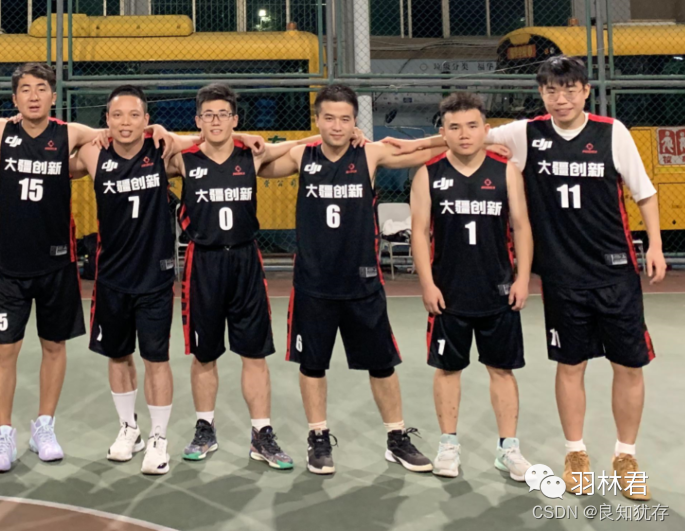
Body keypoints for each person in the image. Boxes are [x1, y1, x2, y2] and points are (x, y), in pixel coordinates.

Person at [387, 56, 666, 500]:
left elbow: (645, 192)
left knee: (629, 365)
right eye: (552, 90)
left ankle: (625, 455)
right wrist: (410, 144)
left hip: (614, 271)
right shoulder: (526, 133)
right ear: (541, 94)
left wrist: (654, 245)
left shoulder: (612, 132)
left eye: (570, 89)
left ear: (586, 91)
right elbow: (466, 135)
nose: (561, 98)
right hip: (561, 275)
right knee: (570, 365)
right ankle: (576, 454)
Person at [257, 84, 457, 474]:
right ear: (317, 120)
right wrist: (301, 140)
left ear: (355, 122)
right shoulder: (303, 155)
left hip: (361, 281)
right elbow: (259, 163)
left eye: (345, 119)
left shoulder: (369, 153)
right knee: (312, 365)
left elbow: (435, 149)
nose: (337, 126)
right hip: (313, 282)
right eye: (329, 118)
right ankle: (318, 437)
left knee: (381, 364)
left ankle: (396, 438)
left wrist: (442, 137)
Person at [0, 62, 120, 473]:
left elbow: (121, 133)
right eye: (25, 89)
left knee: (54, 347)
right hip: (11, 265)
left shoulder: (70, 134)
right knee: (5, 350)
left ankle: (44, 426)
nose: (33, 96)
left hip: (57, 263)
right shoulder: (0, 131)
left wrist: (156, 129)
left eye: (41, 88)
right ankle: (3, 434)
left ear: (54, 95)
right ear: (14, 98)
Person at [165, 83, 314, 470]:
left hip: (246, 261)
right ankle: (205, 428)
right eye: (208, 115)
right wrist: (192, 137)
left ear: (235, 119)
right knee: (204, 354)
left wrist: (344, 135)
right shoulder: (183, 159)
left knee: (254, 353)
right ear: (198, 120)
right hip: (203, 263)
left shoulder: (252, 156)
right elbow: (151, 142)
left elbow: (299, 148)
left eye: (223, 115)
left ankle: (261, 434)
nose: (216, 121)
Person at [409, 92, 534, 481]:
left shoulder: (506, 172)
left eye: (472, 126)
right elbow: (419, 231)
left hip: (498, 291)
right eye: (455, 127)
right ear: (443, 132)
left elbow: (521, 226)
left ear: (485, 129)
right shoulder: (428, 174)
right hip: (448, 294)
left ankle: (508, 449)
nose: (464, 134)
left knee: (502, 370)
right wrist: (427, 283)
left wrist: (523, 278)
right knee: (448, 370)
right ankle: (448, 446)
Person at [71, 85, 179, 474]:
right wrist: (87, 134)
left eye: (135, 115)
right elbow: (49, 148)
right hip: (112, 277)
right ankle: (129, 429)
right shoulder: (93, 153)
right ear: (107, 120)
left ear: (146, 120)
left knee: (156, 359)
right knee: (118, 355)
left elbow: (213, 142)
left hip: (154, 276)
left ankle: (159, 438)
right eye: (117, 115)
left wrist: (165, 130)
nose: (126, 122)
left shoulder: (162, 151)